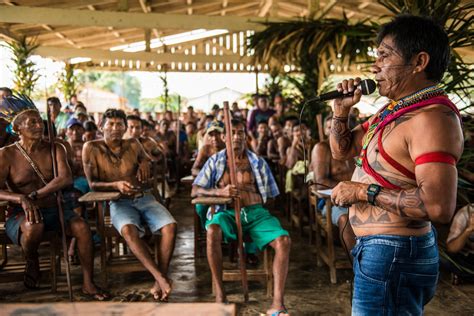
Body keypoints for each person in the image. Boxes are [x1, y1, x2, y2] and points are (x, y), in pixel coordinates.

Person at [329, 15, 463, 314]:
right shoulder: (390, 112)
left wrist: (363, 192)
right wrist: (340, 112)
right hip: (382, 252)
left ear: (419, 61)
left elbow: (439, 207)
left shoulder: (432, 119)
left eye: (384, 55)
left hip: (394, 251)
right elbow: (342, 150)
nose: (375, 66)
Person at [0, 95, 107, 299]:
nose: (39, 125)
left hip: (55, 209)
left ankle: (88, 283)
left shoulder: (55, 147)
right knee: (34, 225)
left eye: (40, 121)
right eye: (32, 122)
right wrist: (21, 199)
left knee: (83, 228)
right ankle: (31, 259)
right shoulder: (6, 154)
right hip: (21, 215)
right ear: (18, 128)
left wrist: (35, 194)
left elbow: (65, 178)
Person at [192, 119, 291, 316]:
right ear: (224, 137)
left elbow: (271, 196)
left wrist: (254, 206)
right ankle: (220, 295)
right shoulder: (215, 161)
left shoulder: (257, 162)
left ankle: (277, 303)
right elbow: (195, 190)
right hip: (227, 213)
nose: (236, 136)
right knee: (212, 230)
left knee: (283, 240)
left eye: (240, 133)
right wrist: (220, 193)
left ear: (246, 137)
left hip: (256, 214)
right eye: (232, 133)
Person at [82, 109, 177, 301]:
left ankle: (159, 281)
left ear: (125, 127)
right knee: (128, 231)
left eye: (120, 125)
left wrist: (145, 163)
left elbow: (149, 160)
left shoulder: (133, 144)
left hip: (144, 197)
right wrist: (115, 185)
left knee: (170, 226)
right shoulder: (91, 147)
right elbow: (92, 184)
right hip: (118, 201)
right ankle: (160, 278)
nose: (115, 128)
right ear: (102, 126)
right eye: (111, 124)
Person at [311, 114, 356, 251]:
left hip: (360, 199)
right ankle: (357, 269)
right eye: (330, 129)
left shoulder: (357, 146)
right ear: (325, 131)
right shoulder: (322, 148)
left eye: (341, 129)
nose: (336, 133)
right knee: (345, 219)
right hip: (332, 201)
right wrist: (350, 189)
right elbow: (320, 183)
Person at [442, 204, 474, 284]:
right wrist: (469, 230)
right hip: (467, 259)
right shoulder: (465, 212)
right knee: (444, 259)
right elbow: (452, 249)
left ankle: (464, 278)